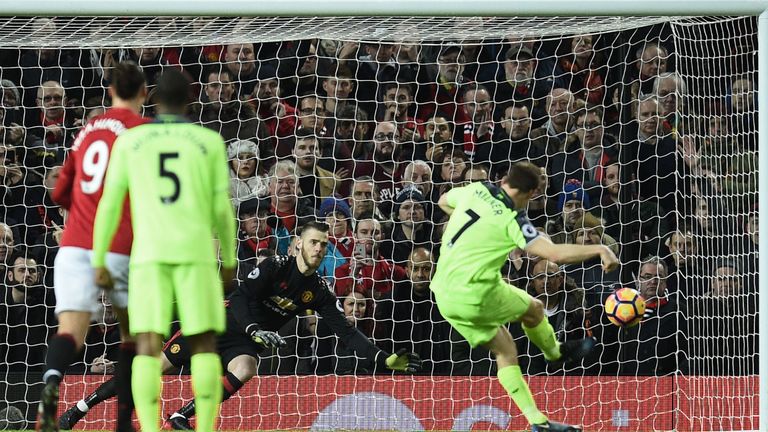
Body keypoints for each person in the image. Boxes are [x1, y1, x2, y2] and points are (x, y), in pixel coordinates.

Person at [60, 222, 421, 430]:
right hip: (218, 324)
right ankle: (82, 405)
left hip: (243, 343)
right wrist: (252, 331)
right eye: (313, 242)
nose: (320, 249)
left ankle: (182, 417)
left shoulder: (318, 292)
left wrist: (382, 359)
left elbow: (344, 331)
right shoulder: (272, 266)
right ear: (297, 245)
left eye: (324, 245)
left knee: (246, 367)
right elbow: (244, 298)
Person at [91, 69, 237, 432]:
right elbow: (222, 209)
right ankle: (203, 428)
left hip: (149, 258)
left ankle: (152, 429)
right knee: (203, 343)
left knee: (146, 345)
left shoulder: (132, 142)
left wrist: (99, 257)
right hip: (196, 256)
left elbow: (110, 204)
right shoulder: (208, 141)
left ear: (152, 98)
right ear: (190, 99)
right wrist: (230, 260)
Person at [431, 161, 619, 432]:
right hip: (476, 292)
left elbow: (443, 201)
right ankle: (555, 353)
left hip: (444, 295)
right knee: (535, 308)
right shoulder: (513, 218)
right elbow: (555, 254)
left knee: (505, 349)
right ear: (529, 193)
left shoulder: (477, 189)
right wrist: (601, 249)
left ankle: (537, 422)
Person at [36, 62, 148, 432]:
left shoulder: (87, 131)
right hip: (116, 245)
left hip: (71, 246)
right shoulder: (144, 131)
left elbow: (58, 193)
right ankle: (122, 423)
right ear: (143, 93)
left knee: (70, 333)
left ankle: (49, 399)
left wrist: (82, 213)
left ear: (110, 91)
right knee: (133, 334)